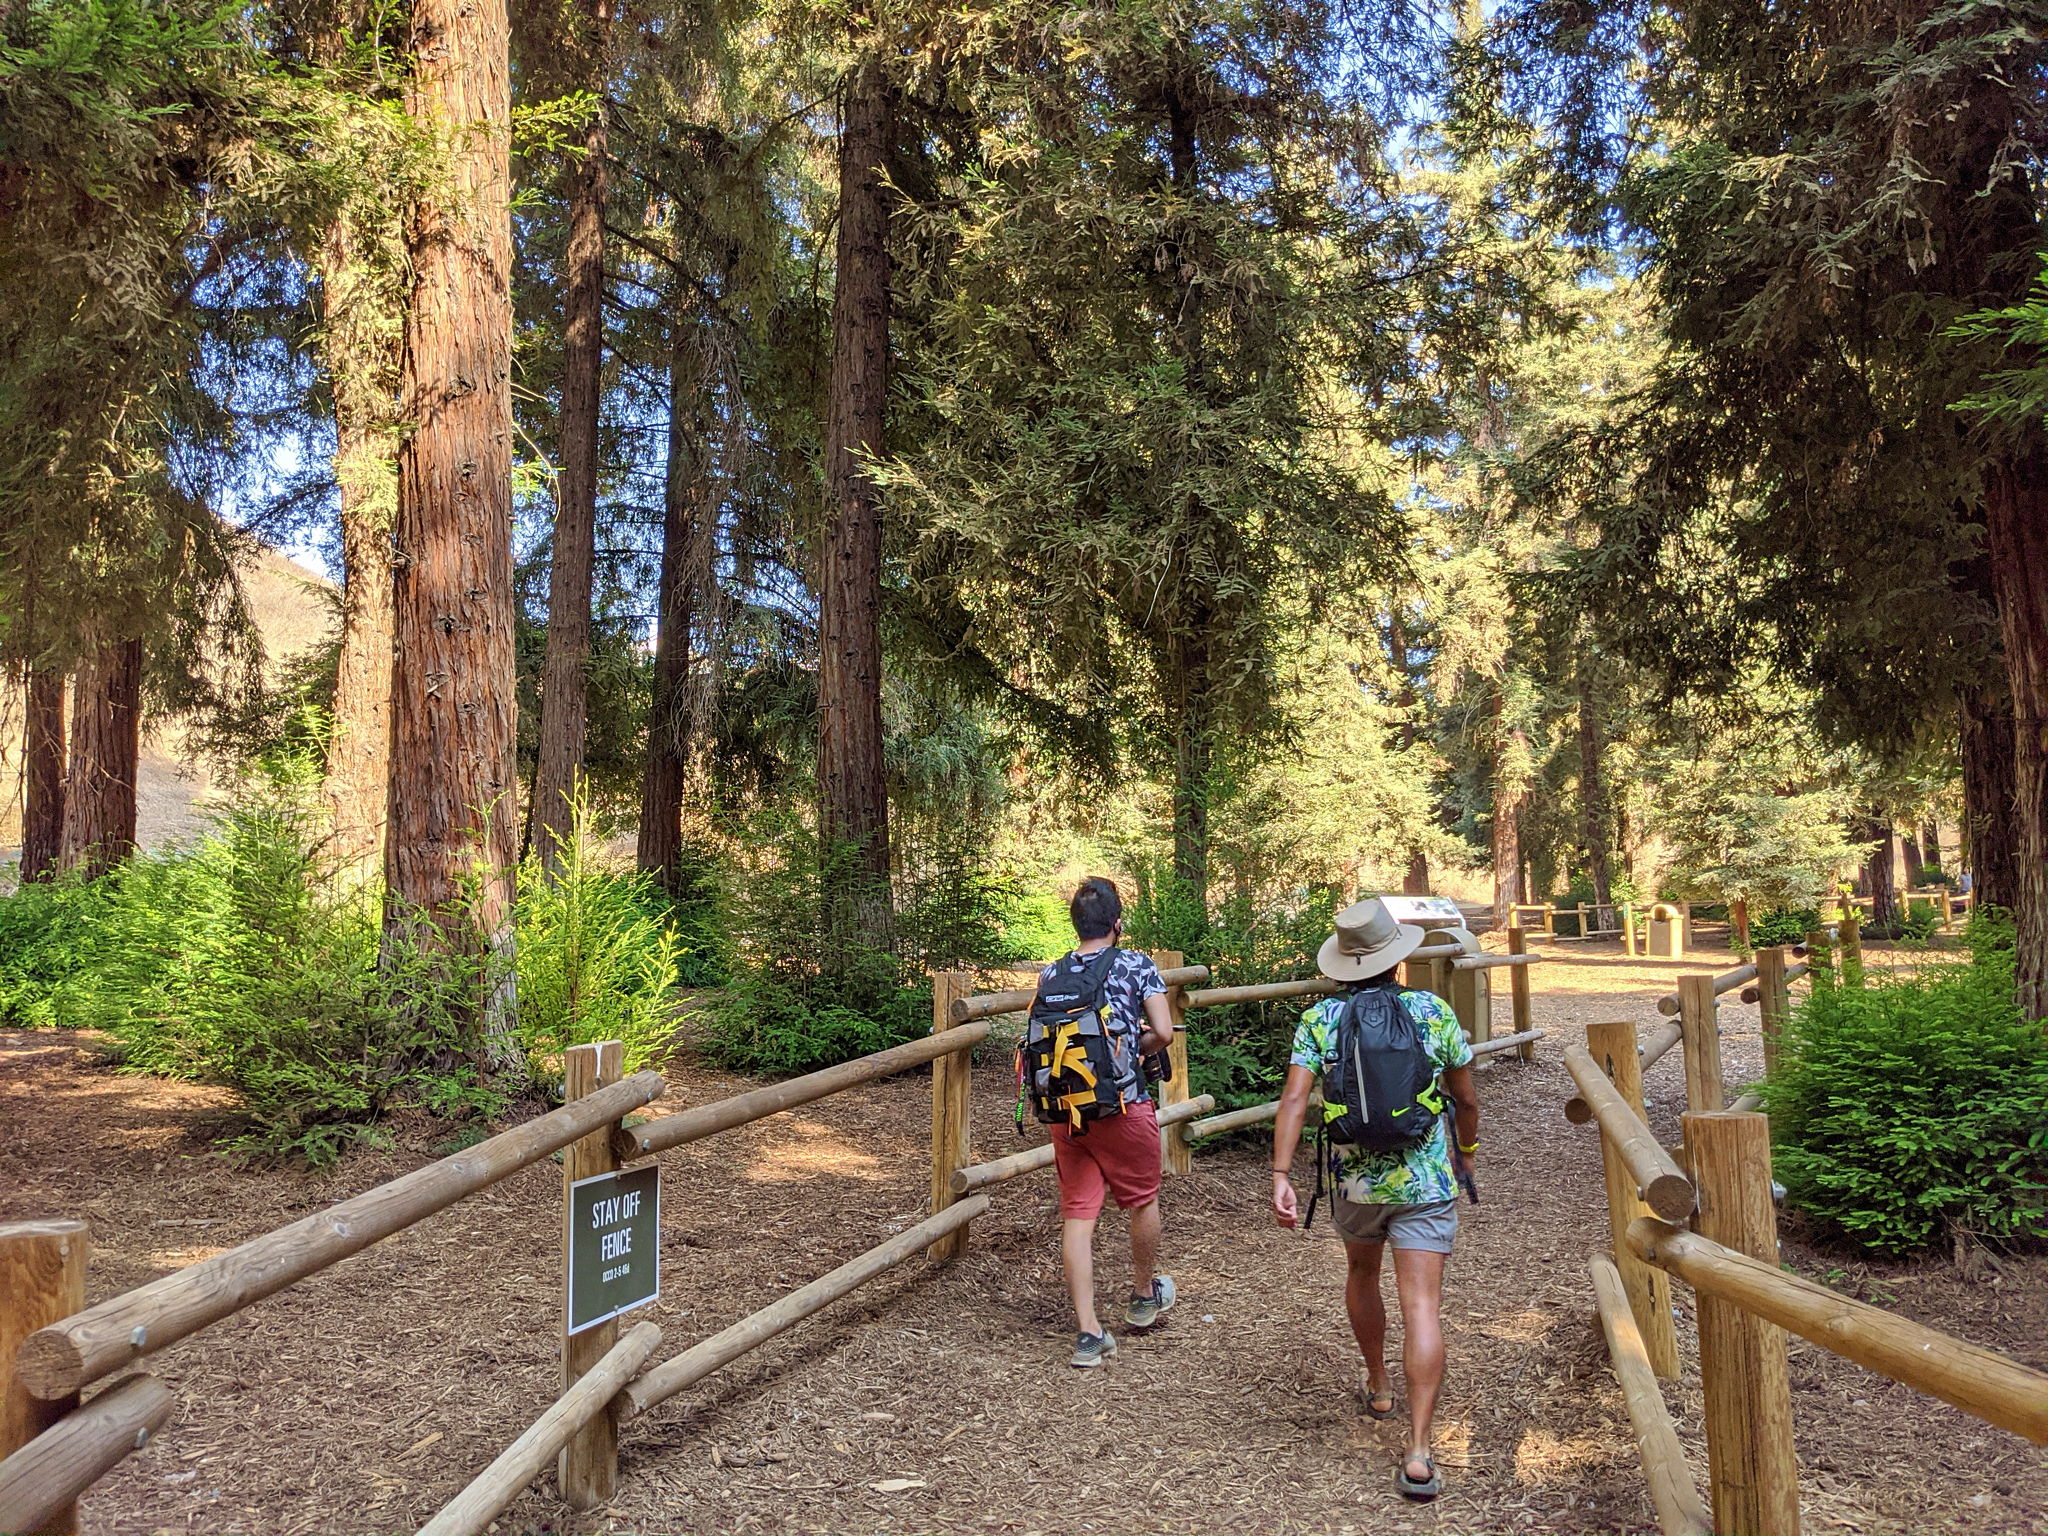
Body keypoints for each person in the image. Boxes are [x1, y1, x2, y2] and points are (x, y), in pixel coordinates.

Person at [1269, 898, 1480, 1502]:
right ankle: (1417, 1451)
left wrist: (1281, 1174)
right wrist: (1466, 1151)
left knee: (1362, 1273)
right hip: (1424, 1183)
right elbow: (1465, 1099)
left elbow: (1292, 1102)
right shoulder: (1433, 1011)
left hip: (1354, 1184)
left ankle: (1379, 1382)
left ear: (1342, 964)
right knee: (1422, 1307)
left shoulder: (1320, 1020)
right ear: (1396, 957)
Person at [1036, 876, 1178, 1366]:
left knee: (1078, 1214)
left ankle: (1089, 1333)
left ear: (1077, 924)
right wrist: (1129, 1052)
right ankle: (1143, 1297)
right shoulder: (1137, 965)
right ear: (1118, 924)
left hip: (1067, 1110)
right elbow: (1163, 1031)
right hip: (1122, 1104)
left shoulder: (1051, 974)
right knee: (1142, 1200)